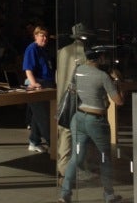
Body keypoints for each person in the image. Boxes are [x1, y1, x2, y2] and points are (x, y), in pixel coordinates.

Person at [58, 49, 124, 203]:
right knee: (104, 157)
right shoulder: (103, 76)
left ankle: (65, 193)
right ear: (100, 58)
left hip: (79, 117)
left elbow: (73, 90)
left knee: (76, 157)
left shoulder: (78, 70)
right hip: (96, 120)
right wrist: (116, 82)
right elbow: (119, 101)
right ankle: (109, 195)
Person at [57, 23, 93, 177]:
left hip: (63, 98)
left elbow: (57, 76)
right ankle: (78, 166)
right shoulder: (85, 53)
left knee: (64, 133)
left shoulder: (62, 51)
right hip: (78, 99)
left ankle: (63, 166)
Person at [23, 25, 55, 152]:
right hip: (37, 85)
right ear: (35, 36)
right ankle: (53, 143)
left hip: (46, 84)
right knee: (43, 116)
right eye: (42, 35)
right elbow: (28, 69)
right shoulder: (32, 49)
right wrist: (34, 83)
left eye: (46, 36)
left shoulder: (44, 50)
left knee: (37, 116)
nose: (45, 38)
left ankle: (34, 141)